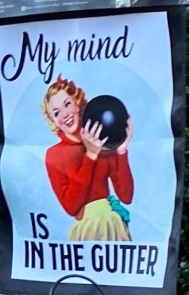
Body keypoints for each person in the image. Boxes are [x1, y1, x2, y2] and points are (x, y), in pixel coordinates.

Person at [41, 77, 133, 242]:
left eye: (67, 104)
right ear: (53, 121)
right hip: (86, 232)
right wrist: (90, 156)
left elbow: (126, 196)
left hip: (112, 226)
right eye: (56, 113)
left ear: (77, 103)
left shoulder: (103, 140)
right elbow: (71, 206)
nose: (64, 115)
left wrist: (121, 150)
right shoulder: (54, 155)